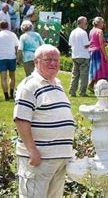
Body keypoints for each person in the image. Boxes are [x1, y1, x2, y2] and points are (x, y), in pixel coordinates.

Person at [13, 44, 75, 198]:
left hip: (58, 160)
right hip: (38, 160)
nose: (53, 63)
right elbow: (21, 120)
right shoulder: (30, 86)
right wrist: (32, 150)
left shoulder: (57, 84)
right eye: (48, 60)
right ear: (36, 62)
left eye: (56, 60)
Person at [0, 20, 19, 101]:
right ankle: (11, 94)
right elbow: (17, 47)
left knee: (3, 78)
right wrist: (17, 57)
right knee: (12, 76)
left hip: (1, 58)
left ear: (0, 26)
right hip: (11, 57)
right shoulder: (13, 35)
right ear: (8, 26)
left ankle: (6, 96)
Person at [68, 16, 90, 97]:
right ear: (81, 23)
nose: (86, 24)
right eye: (85, 22)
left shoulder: (73, 32)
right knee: (83, 76)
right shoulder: (83, 32)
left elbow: (70, 44)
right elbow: (86, 45)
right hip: (83, 56)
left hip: (75, 55)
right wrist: (92, 42)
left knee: (75, 75)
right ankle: (82, 92)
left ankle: (72, 92)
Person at [87, 17, 108, 91]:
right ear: (99, 23)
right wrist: (105, 55)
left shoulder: (91, 31)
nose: (103, 24)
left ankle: (91, 84)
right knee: (100, 69)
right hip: (98, 52)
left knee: (94, 69)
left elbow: (91, 41)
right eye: (102, 23)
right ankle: (98, 87)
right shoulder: (100, 31)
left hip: (91, 51)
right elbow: (101, 44)